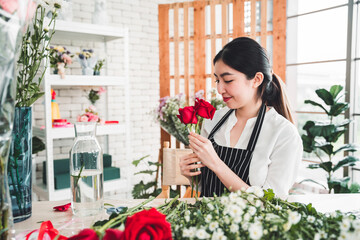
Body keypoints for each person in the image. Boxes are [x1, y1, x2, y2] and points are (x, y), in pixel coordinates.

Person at [179, 37, 303, 197]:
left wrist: (216, 164)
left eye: (228, 80)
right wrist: (191, 176)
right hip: (206, 220)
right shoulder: (213, 120)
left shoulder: (284, 134)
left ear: (257, 79)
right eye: (217, 80)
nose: (219, 89)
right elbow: (205, 190)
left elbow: (270, 204)